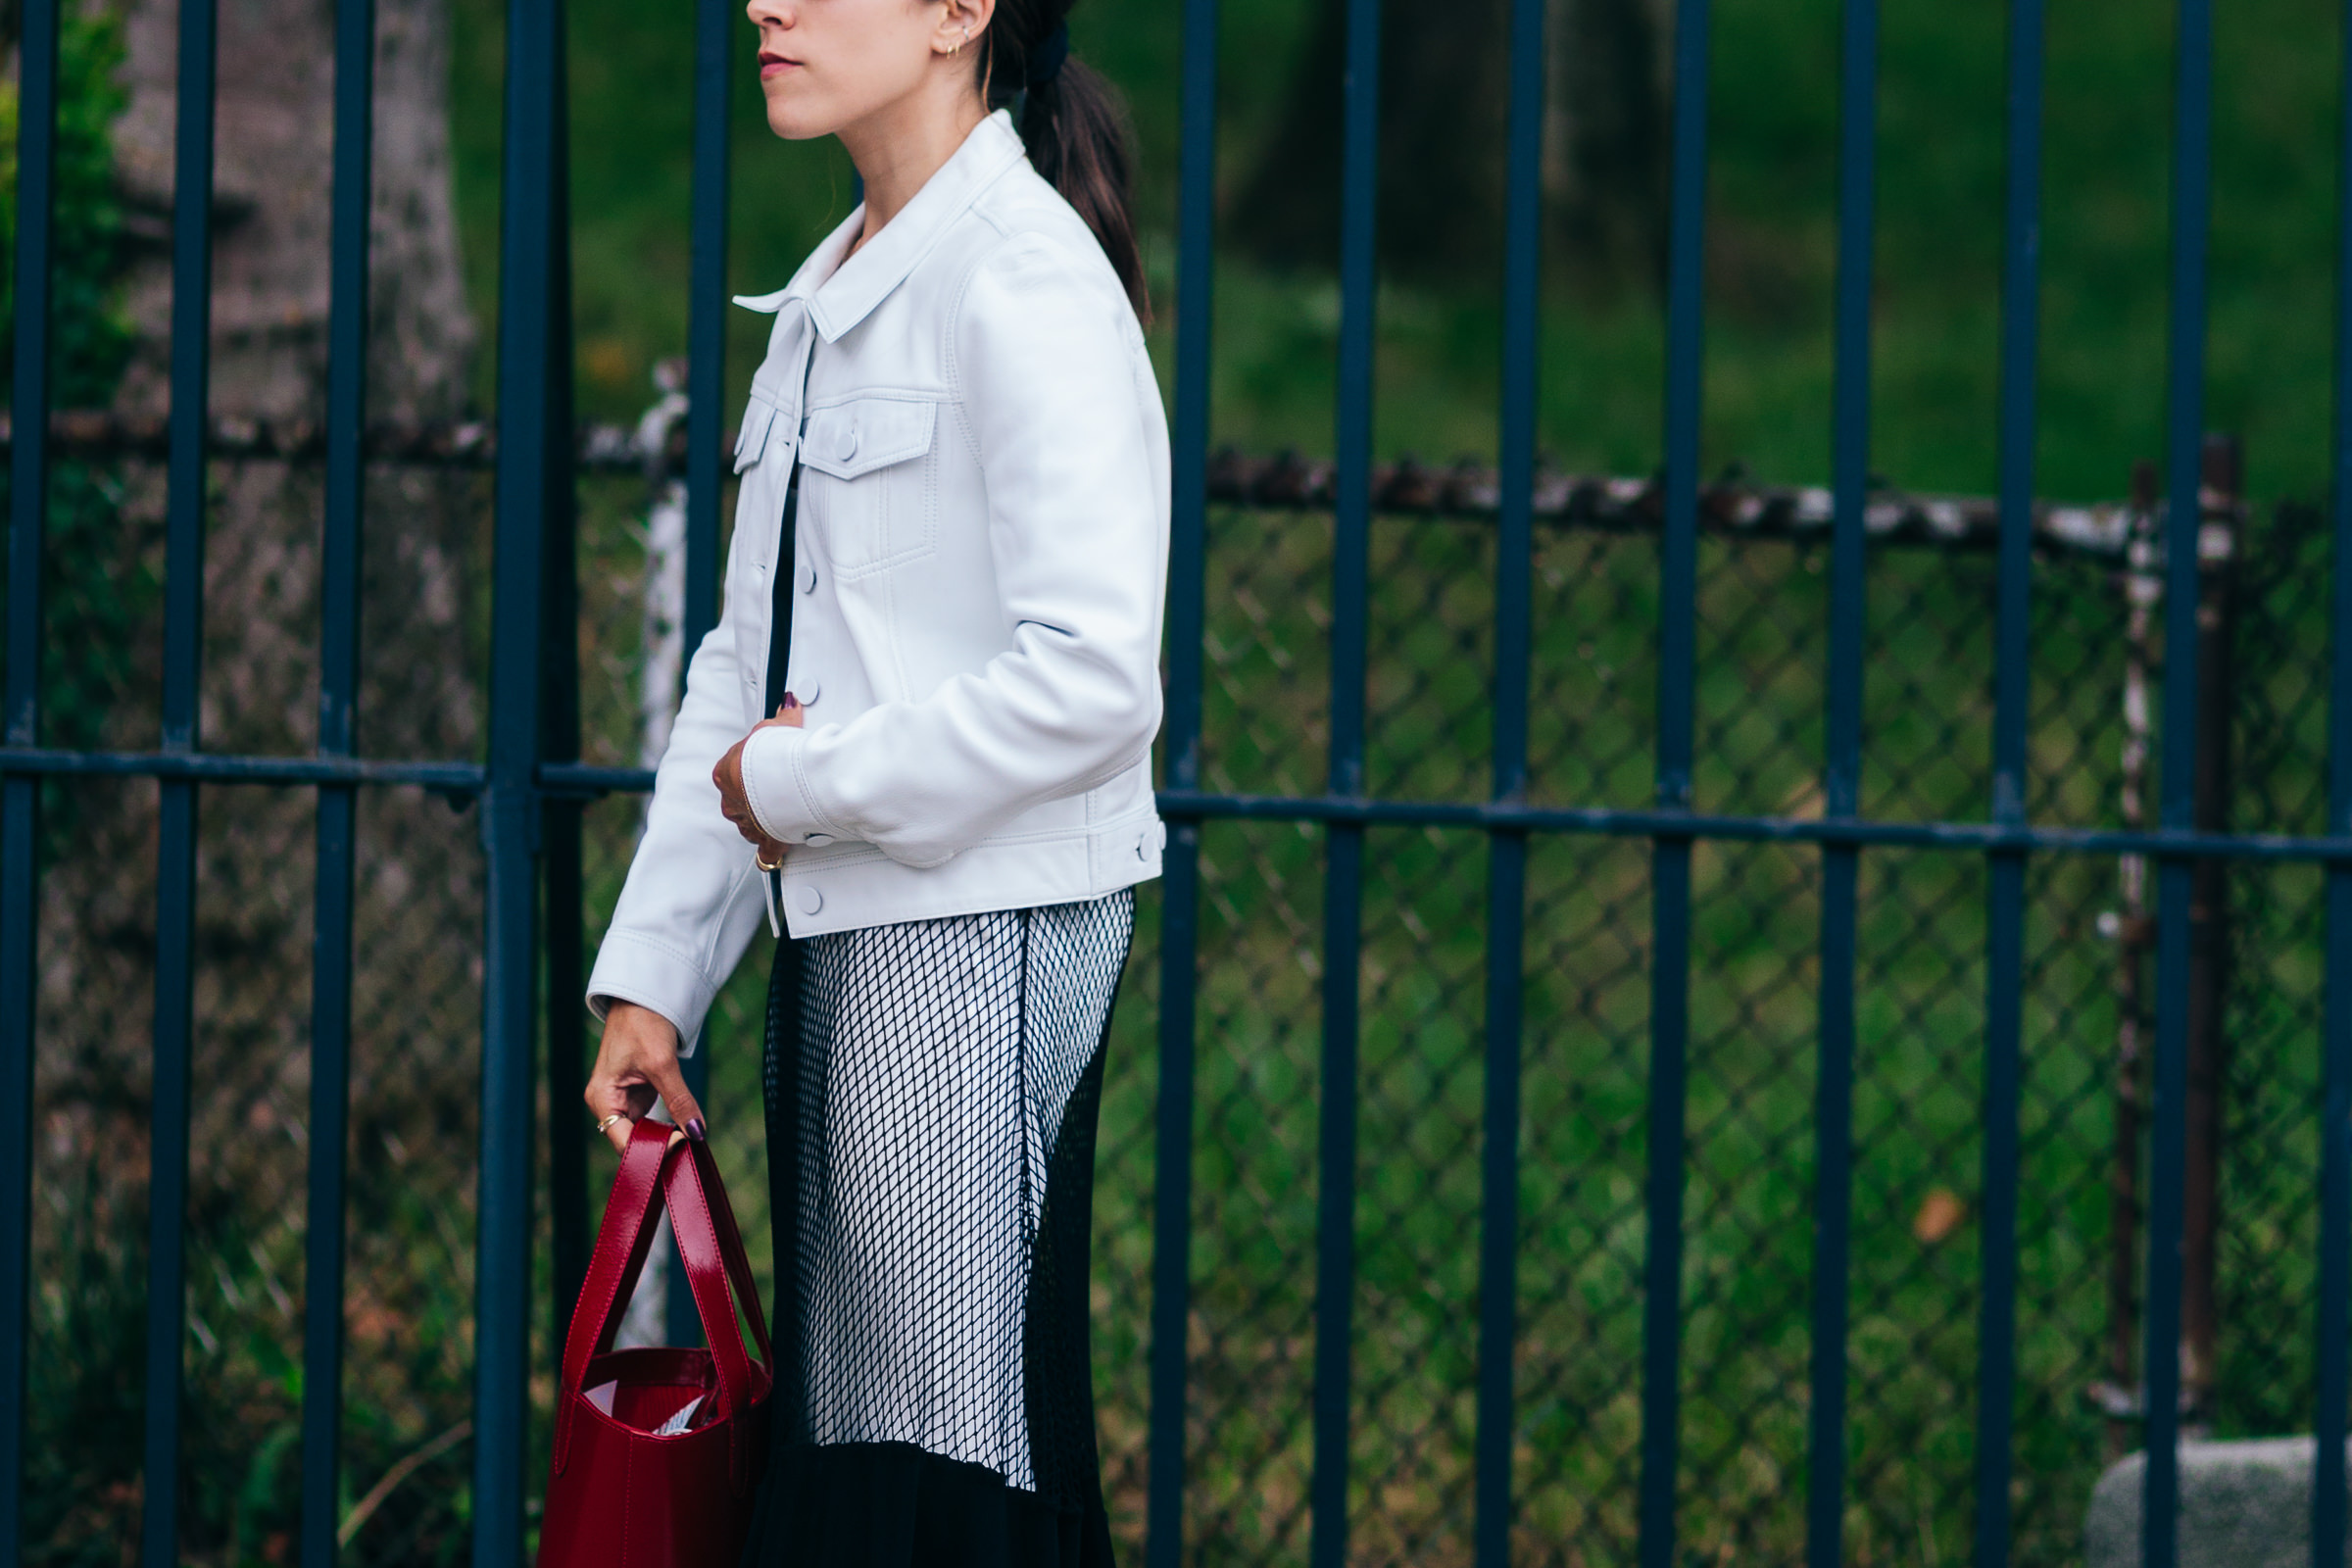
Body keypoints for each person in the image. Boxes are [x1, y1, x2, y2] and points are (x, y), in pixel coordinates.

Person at [577, 0, 1167, 1555]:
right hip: (844, 943)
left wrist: (810, 783)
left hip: (977, 945)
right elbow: (743, 666)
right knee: (868, 1465)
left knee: (956, 1478)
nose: (766, 3)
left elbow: (1098, 680)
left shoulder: (1024, 281)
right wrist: (657, 975)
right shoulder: (828, 298)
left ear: (960, 12)